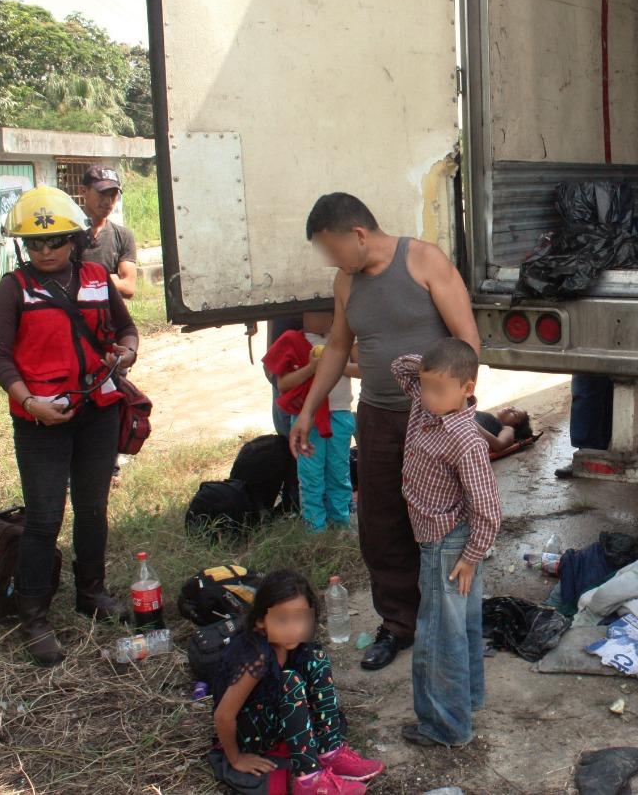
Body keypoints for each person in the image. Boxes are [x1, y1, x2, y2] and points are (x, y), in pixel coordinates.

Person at [289, 192, 480, 671]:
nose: (331, 261)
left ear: (357, 234)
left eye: (332, 249)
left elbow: (468, 341)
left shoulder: (423, 260)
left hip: (434, 422)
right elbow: (336, 347)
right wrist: (309, 409)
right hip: (377, 417)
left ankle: (449, 621)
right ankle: (399, 624)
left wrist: (452, 415)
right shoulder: (346, 281)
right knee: (381, 523)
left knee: (442, 522)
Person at [0, 186, 139, 666]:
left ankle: (91, 593)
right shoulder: (14, 289)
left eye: (54, 242)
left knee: (93, 507)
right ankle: (33, 617)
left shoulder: (96, 277)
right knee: (46, 517)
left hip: (98, 411)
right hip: (40, 420)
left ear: (73, 239)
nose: (45, 250)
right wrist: (31, 403)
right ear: (22, 247)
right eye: (34, 243)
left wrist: (128, 351)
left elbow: (127, 328)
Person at [391, 341, 501, 748]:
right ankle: (466, 702)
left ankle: (445, 726)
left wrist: (471, 557)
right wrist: (433, 372)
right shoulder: (426, 406)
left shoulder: (465, 439)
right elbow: (402, 366)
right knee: (461, 626)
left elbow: (488, 508)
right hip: (442, 542)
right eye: (427, 387)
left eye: (440, 390)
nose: (429, 396)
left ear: (467, 388)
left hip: (450, 547)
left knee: (438, 635)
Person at [212, 570, 383, 794]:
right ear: (261, 622)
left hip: (274, 718)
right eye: (282, 619)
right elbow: (223, 716)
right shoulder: (256, 658)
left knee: (317, 659)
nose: (294, 628)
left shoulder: (291, 645)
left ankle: (330, 750)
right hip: (251, 734)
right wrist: (235, 758)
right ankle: (308, 779)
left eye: (300, 618)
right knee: (288, 680)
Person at [264, 311, 360, 532]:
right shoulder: (293, 340)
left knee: (339, 471)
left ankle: (341, 522)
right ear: (303, 314)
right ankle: (314, 526)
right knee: (311, 475)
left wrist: (334, 365)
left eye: (328, 312)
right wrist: (311, 368)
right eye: (316, 313)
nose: (323, 319)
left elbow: (363, 368)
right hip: (308, 420)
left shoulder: (345, 340)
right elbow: (283, 384)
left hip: (340, 416)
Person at [79, 166, 137, 299]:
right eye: (102, 193)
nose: (108, 201)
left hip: (111, 318)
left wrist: (86, 281)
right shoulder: (66, 235)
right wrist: (111, 280)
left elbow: (128, 288)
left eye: (113, 195)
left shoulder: (123, 236)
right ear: (83, 191)